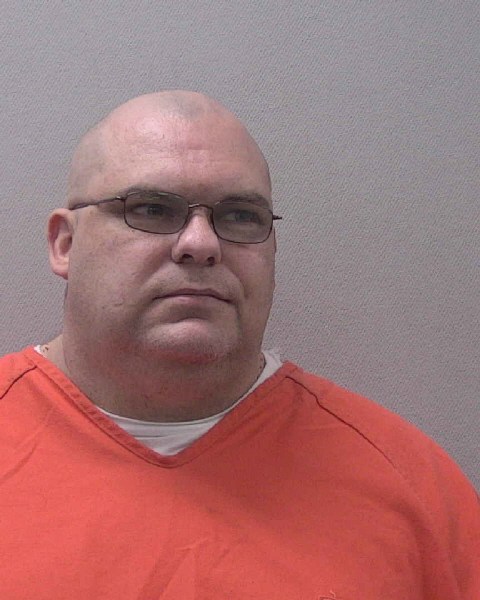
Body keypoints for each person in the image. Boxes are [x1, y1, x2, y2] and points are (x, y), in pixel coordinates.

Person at [0, 91, 478, 600]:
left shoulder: (413, 487)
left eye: (240, 216)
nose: (201, 243)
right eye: (152, 209)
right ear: (65, 244)